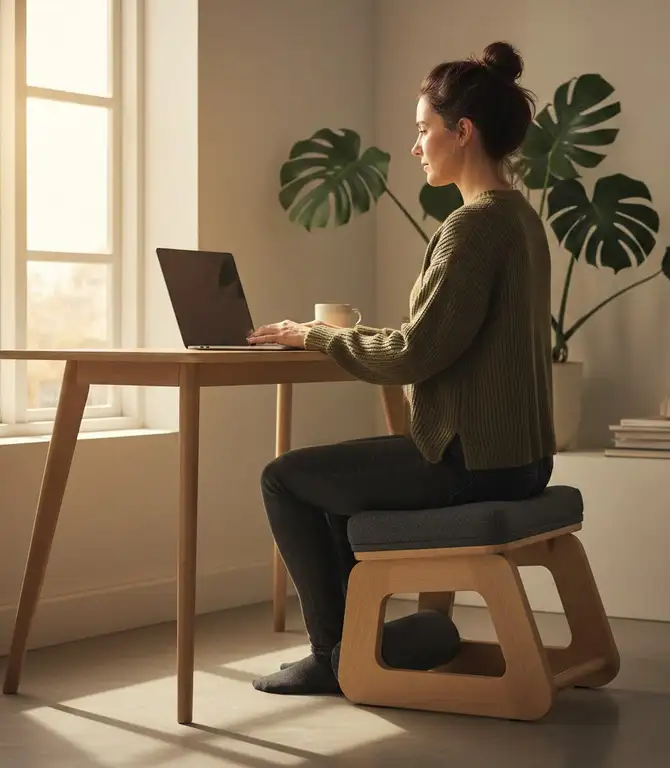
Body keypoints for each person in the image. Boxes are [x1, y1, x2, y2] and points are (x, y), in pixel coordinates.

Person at [247, 41, 556, 696]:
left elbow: (417, 353)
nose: (416, 146)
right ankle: (358, 646)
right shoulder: (521, 221)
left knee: (283, 479)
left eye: (423, 129)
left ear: (461, 132)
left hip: (470, 463)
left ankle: (335, 658)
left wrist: (317, 337)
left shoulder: (473, 228)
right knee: (332, 486)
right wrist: (336, 336)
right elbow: (439, 338)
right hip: (522, 459)